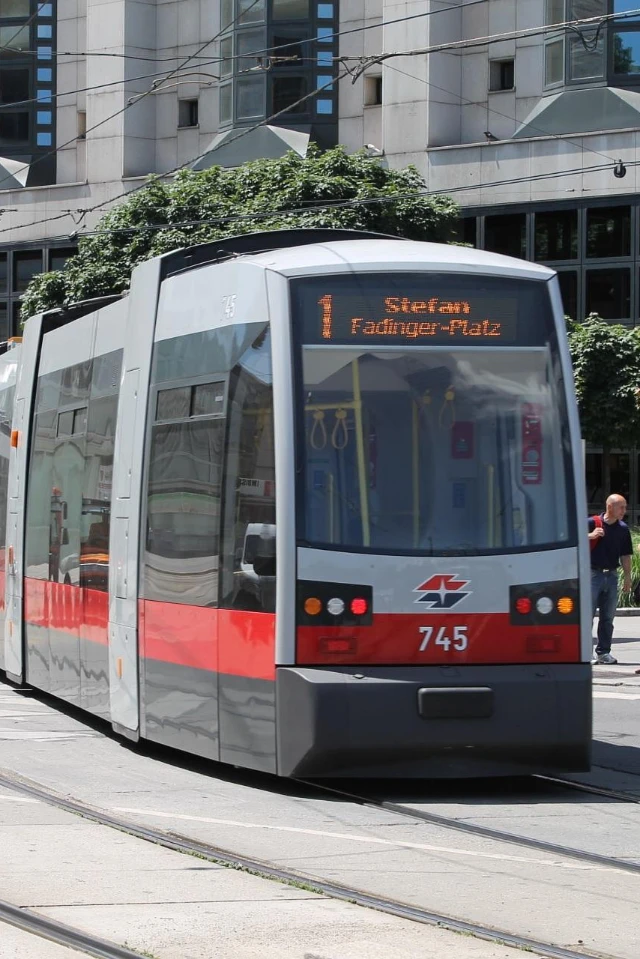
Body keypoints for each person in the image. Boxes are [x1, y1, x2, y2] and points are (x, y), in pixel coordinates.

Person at [589, 494, 632, 664]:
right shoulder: (592, 523)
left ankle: (603, 652)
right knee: (588, 616)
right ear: (610, 507)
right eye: (621, 507)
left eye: (625, 507)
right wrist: (590, 535)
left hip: (612, 575)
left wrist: (627, 577)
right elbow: (575, 541)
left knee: (608, 617)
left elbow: (626, 555)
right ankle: (587, 653)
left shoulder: (623, 529)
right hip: (593, 575)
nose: (624, 511)